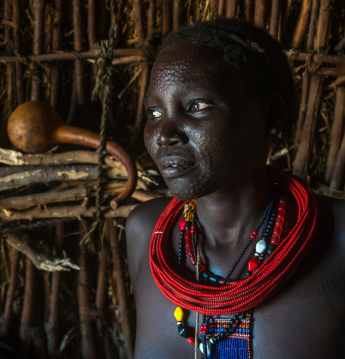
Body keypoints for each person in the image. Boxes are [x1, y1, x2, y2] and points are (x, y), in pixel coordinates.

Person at [125, 18, 345, 358]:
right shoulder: (145, 232)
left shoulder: (339, 238)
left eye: (196, 106)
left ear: (272, 116)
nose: (164, 134)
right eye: (155, 112)